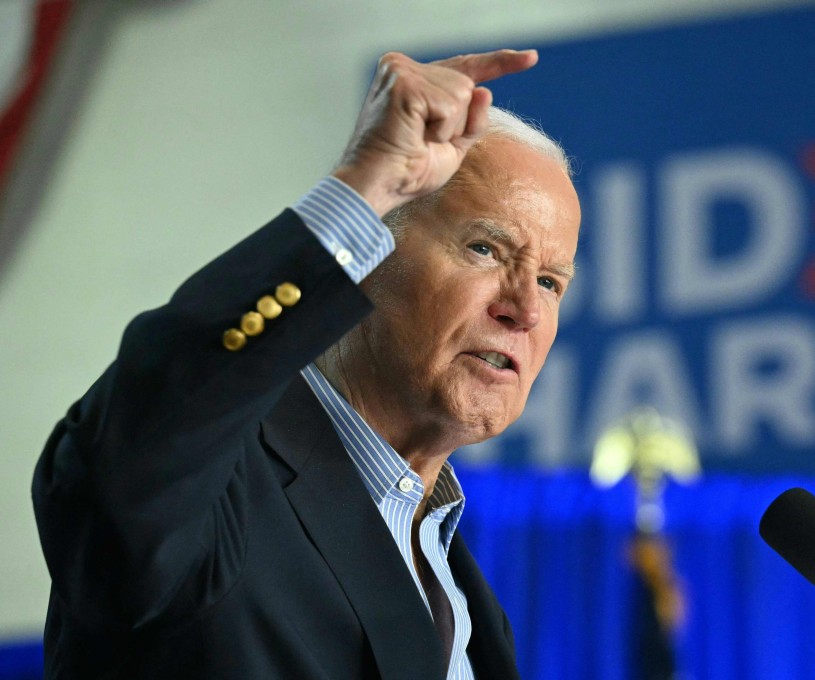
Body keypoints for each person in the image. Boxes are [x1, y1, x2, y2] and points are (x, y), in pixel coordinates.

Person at [32, 48, 581, 679]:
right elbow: (122, 456)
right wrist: (361, 190)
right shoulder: (217, 489)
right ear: (368, 254)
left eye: (549, 281)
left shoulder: (474, 608)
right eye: (485, 248)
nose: (524, 310)